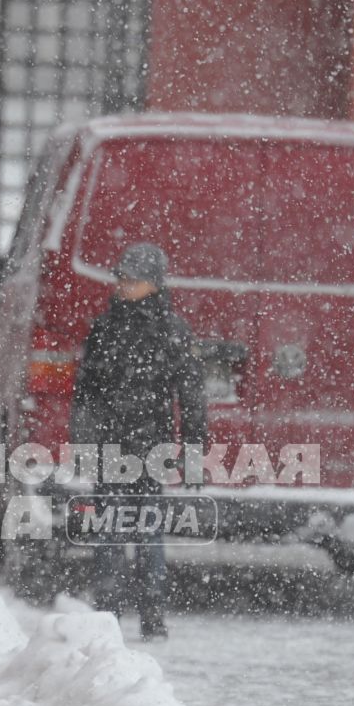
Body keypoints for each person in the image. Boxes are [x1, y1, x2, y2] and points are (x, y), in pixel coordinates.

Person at [68, 241, 208, 641]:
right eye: (123, 278)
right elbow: (86, 392)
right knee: (113, 531)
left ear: (154, 283)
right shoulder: (108, 327)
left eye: (134, 279)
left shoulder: (169, 331)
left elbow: (191, 396)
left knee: (143, 530)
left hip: (149, 446)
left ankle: (150, 613)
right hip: (115, 446)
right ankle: (111, 615)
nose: (124, 285)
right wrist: (82, 445)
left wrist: (193, 453)